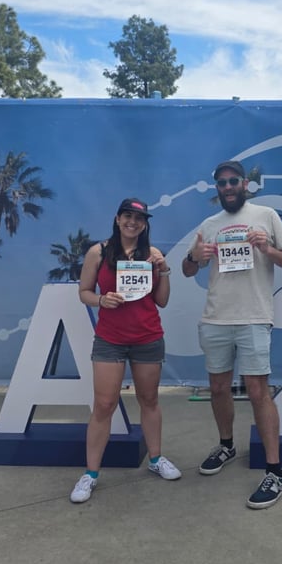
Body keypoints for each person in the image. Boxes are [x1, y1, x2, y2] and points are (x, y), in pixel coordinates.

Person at [181, 160, 282, 509]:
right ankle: (227, 445)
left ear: (245, 184)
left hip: (253, 316)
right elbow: (188, 270)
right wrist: (194, 255)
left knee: (258, 390)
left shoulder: (266, 215)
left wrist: (267, 249)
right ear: (216, 188)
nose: (228, 187)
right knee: (218, 387)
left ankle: (276, 471)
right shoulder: (209, 224)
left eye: (234, 181)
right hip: (216, 317)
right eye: (222, 183)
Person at [70, 197, 180, 504]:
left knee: (149, 399)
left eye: (139, 218)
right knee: (104, 404)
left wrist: (165, 271)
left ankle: (156, 459)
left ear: (145, 224)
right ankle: (90, 474)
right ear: (118, 219)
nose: (133, 222)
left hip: (147, 337)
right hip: (110, 338)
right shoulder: (99, 251)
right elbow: (84, 292)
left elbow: (162, 300)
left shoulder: (152, 254)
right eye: (127, 216)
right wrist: (101, 300)